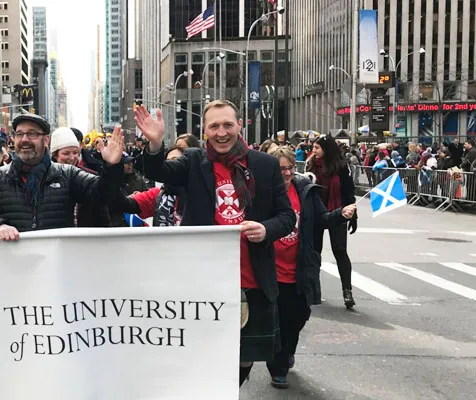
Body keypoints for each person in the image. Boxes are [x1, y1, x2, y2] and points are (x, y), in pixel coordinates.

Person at [135, 100, 296, 387]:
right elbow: (160, 172)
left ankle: (228, 389)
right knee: (202, 351)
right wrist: (156, 144)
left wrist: (266, 229)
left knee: (246, 355)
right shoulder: (194, 161)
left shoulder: (266, 165)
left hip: (252, 278)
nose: (221, 132)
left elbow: (286, 216)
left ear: (239, 125)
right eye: (214, 126)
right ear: (205, 130)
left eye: (227, 125)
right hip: (203, 277)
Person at [266, 146, 357, 389]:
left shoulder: (305, 191)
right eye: (280, 169)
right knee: (279, 320)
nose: (285, 173)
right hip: (272, 270)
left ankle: (287, 352)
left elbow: (323, 219)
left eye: (289, 168)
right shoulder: (264, 194)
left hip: (300, 266)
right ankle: (279, 366)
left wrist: (342, 214)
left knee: (299, 316)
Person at [0, 113, 124, 239]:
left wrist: (112, 166)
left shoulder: (67, 175)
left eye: (32, 134)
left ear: (46, 140)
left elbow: (102, 195)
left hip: (58, 268)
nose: (24, 139)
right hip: (13, 271)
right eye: (19, 134)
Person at [306, 134, 358, 309]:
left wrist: (353, 215)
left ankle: (347, 291)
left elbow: (349, 191)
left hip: (337, 212)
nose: (314, 150)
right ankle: (314, 290)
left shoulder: (341, 167)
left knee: (340, 250)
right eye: (313, 147)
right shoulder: (310, 165)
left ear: (326, 149)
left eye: (317, 148)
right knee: (314, 252)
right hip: (316, 213)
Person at [49, 127, 111, 227]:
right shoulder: (44, 179)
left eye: (75, 152)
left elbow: (103, 211)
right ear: (55, 155)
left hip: (86, 239)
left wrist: (111, 166)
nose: (72, 157)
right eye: (66, 153)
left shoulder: (90, 176)